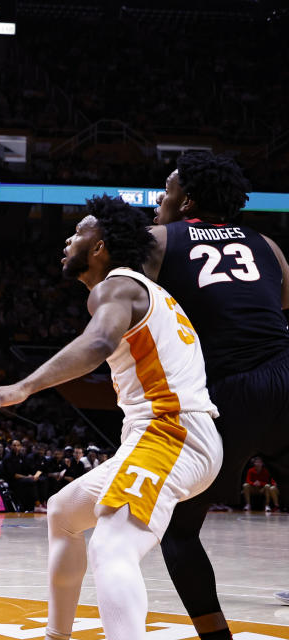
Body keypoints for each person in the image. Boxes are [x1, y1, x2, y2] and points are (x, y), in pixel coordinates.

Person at [0, 196, 222, 640]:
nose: (68, 238)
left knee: (110, 544)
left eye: (79, 231)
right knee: (63, 511)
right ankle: (56, 635)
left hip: (171, 433)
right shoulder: (147, 292)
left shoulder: (117, 285)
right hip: (172, 434)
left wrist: (20, 387)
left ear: (100, 246)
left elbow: (99, 342)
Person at [146, 151, 289, 639]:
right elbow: (278, 299)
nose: (159, 200)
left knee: (180, 530)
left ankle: (216, 637)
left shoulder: (160, 240)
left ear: (186, 199)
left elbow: (131, 304)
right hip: (286, 369)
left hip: (231, 387)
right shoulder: (267, 244)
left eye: (166, 190)